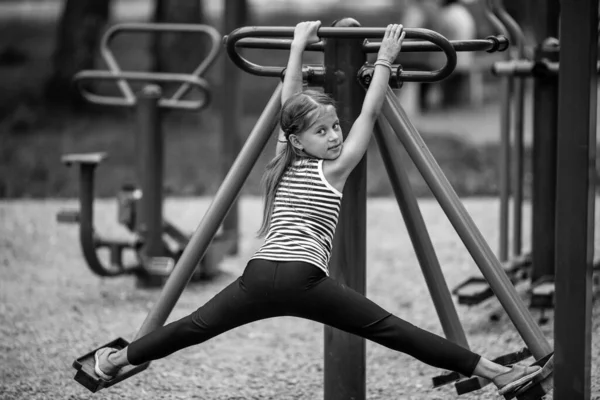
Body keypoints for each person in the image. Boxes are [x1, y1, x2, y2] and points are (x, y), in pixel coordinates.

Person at [94, 21, 541, 397]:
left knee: (192, 327)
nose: (334, 136)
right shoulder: (336, 170)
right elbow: (368, 114)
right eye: (321, 132)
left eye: (334, 127)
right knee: (393, 330)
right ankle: (498, 374)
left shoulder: (280, 162)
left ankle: (112, 361)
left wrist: (295, 49)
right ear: (298, 140)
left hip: (257, 275)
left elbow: (290, 104)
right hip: (301, 279)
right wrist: (384, 60)